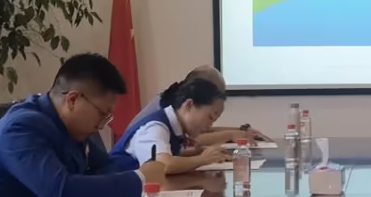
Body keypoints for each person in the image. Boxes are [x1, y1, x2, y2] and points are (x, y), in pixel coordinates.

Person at [0, 54, 203, 197]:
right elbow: (60, 191)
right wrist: (140, 178)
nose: (103, 124)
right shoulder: (22, 127)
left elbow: (109, 166)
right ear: (72, 99)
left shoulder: (72, 127)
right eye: (102, 114)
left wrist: (88, 183)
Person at [112, 64, 268, 156]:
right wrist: (231, 135)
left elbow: (201, 130)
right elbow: (194, 139)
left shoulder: (179, 104)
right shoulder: (166, 110)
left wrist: (239, 130)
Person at [122, 75, 233, 165]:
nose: (210, 126)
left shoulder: (175, 128)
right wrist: (203, 159)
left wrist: (200, 152)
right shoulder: (155, 127)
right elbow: (163, 165)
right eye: (210, 117)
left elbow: (170, 155)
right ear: (189, 105)